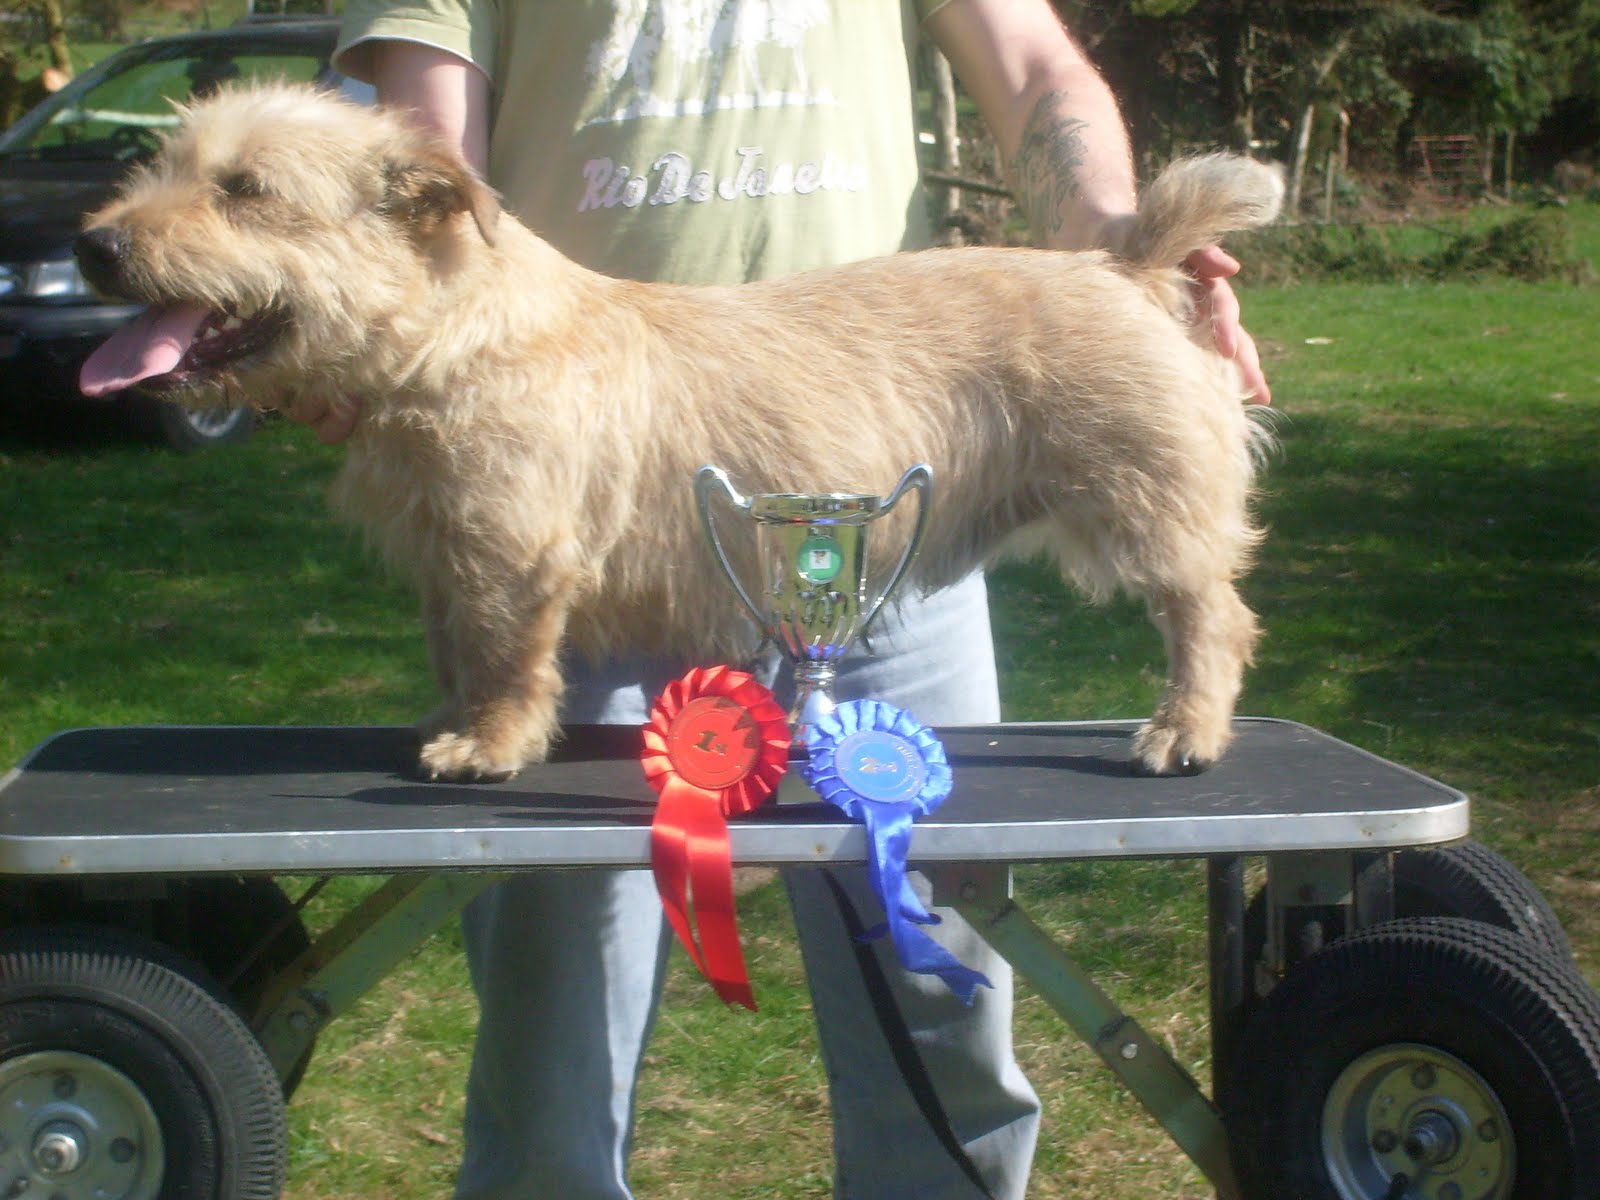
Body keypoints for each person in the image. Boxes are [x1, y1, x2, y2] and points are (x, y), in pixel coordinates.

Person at [313, 4, 1272, 1197]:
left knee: (937, 975)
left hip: (882, 452)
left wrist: (1124, 260)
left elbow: (1030, 67)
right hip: (561, 457)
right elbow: (419, 144)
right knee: (550, 1008)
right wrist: (349, 308)